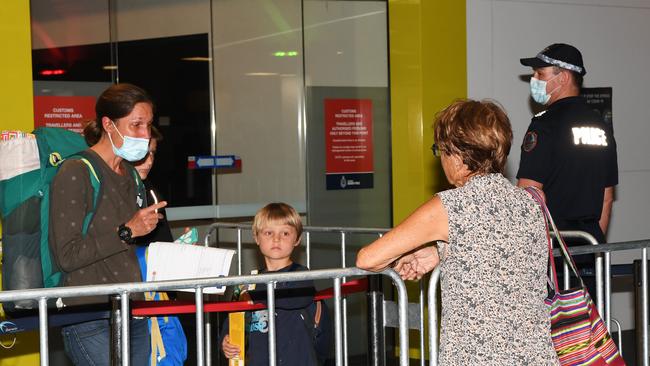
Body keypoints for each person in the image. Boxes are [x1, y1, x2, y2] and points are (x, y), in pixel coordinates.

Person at [356, 100, 559, 365]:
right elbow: (497, 251)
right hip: (535, 354)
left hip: (477, 356)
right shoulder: (530, 202)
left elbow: (367, 259)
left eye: (440, 149)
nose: (441, 158)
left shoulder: (450, 206)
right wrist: (440, 252)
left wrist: (398, 259)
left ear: (458, 154)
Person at [50, 83, 167, 366]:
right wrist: (127, 231)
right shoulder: (75, 171)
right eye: (136, 124)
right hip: (89, 313)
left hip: (132, 309)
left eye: (148, 125)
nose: (144, 134)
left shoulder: (129, 173)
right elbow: (67, 255)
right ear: (108, 124)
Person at [517, 43, 618, 277]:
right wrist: (593, 247)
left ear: (562, 78)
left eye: (540, 74)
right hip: (590, 246)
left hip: (552, 249)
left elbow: (528, 195)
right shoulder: (601, 125)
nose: (534, 79)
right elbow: (607, 198)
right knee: (587, 313)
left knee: (553, 314)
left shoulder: (545, 125)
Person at [221, 203, 326, 366]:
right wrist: (226, 340)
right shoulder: (248, 283)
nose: (276, 239)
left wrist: (257, 290)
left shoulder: (302, 275)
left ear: (297, 239)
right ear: (256, 237)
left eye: (285, 233)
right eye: (268, 233)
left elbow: (294, 299)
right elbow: (233, 320)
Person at [133, 125, 174, 244]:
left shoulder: (151, 192)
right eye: (143, 153)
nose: (150, 161)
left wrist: (180, 250)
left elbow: (162, 241)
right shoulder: (111, 190)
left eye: (152, 153)